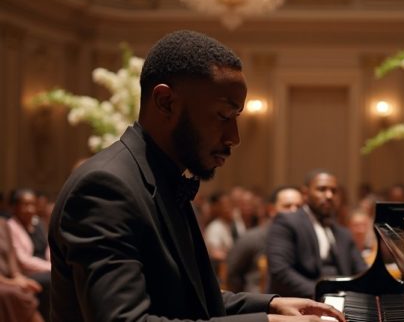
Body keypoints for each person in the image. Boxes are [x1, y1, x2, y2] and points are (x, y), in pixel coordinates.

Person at [48, 30, 345, 322]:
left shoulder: (160, 177)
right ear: (165, 101)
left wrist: (272, 305)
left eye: (236, 118)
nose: (234, 137)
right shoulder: (105, 187)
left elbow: (194, 303)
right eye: (223, 116)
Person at [266, 169, 368, 298]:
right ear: (305, 193)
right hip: (298, 302)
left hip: (341, 300)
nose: (329, 195)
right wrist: (325, 295)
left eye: (334, 191)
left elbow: (361, 271)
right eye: (322, 189)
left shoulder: (343, 233)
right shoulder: (286, 222)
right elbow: (280, 272)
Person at [226, 185, 304, 293]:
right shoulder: (252, 238)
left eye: (299, 207)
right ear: (271, 210)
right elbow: (232, 275)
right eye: (287, 206)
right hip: (258, 305)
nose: (294, 211)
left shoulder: (307, 239)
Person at [0, 217, 44, 322]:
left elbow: (11, 255)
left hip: (8, 278)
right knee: (16, 294)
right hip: (2, 281)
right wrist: (10, 282)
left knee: (42, 285)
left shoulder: (3, 224)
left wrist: (17, 276)